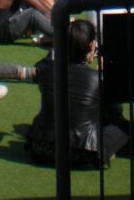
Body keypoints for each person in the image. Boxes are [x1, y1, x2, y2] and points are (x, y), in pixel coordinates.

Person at [26, 19, 127, 167]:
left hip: (41, 148)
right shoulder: (97, 78)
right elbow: (116, 112)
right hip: (83, 155)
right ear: (91, 46)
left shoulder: (46, 70)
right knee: (123, 126)